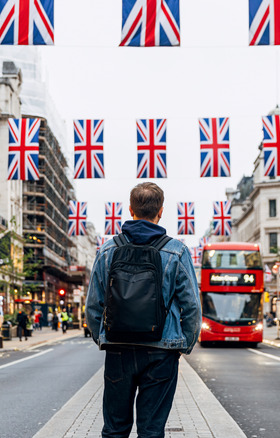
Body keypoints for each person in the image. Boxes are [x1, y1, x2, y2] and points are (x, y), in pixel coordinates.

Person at [86, 182, 201, 438]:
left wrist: (102, 337)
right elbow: (191, 306)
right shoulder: (177, 251)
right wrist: (183, 344)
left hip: (119, 349)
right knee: (151, 430)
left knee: (115, 429)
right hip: (161, 352)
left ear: (130, 210)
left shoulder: (107, 250)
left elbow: (93, 304)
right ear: (161, 211)